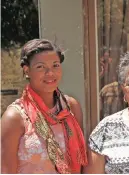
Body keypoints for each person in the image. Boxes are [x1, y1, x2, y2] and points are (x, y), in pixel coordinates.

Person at [1, 39, 88, 173]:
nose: (50, 73)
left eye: (55, 65)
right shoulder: (15, 117)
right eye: (40, 67)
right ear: (26, 70)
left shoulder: (70, 108)